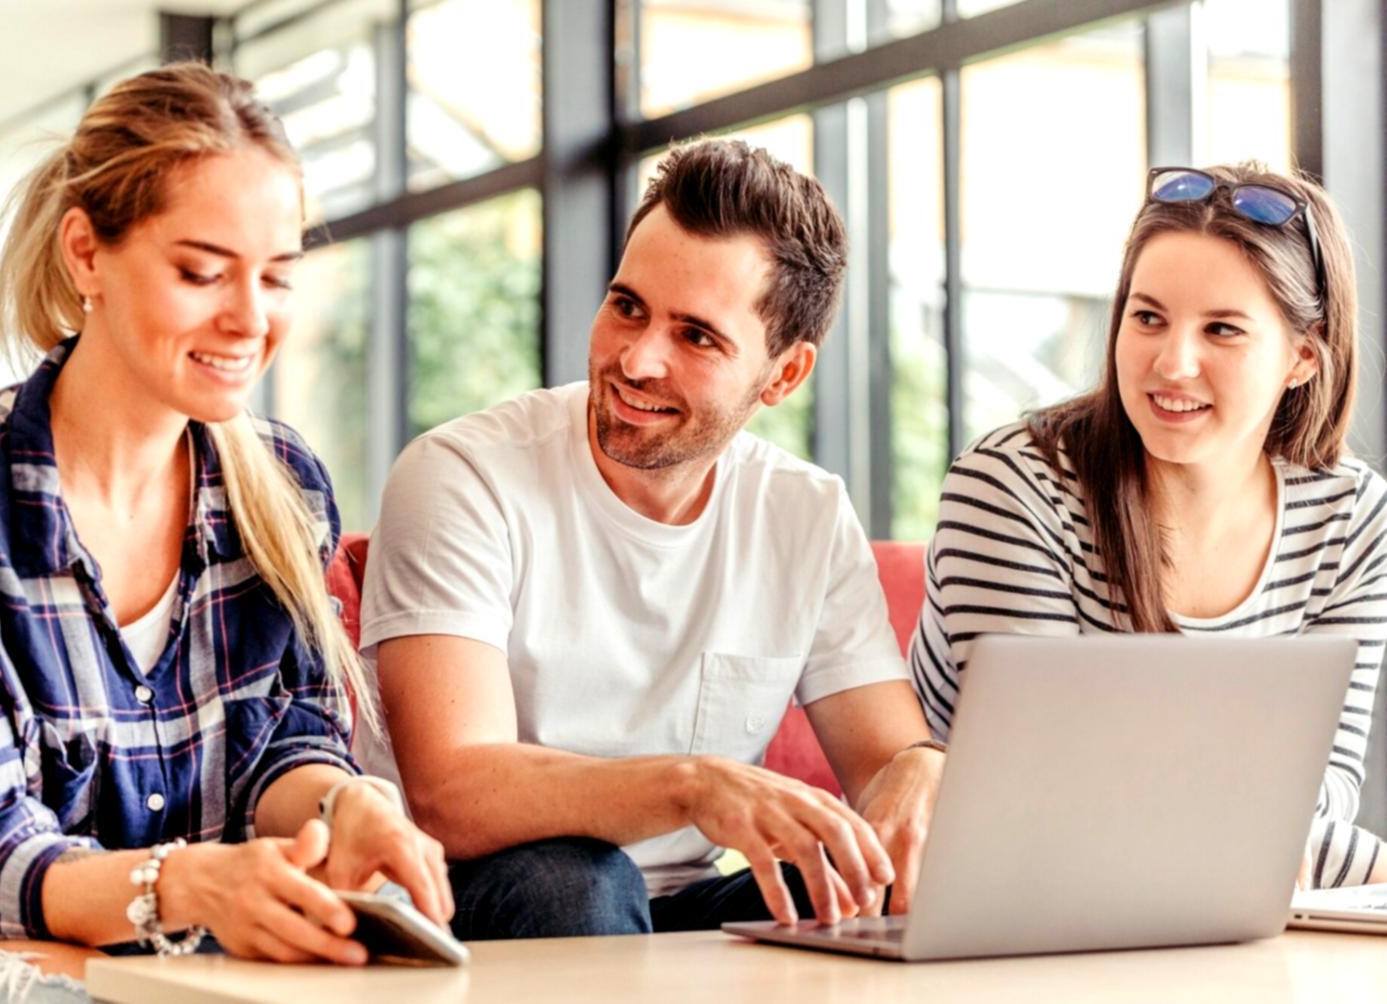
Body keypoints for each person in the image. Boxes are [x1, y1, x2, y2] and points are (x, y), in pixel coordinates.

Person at [0, 63, 451, 1003]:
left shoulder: (284, 485)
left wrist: (344, 806)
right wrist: (183, 886)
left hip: (190, 975)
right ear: (85, 254)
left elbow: (285, 742)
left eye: (277, 276)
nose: (249, 318)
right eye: (201, 271)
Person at [359, 138, 944, 941]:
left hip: (674, 910)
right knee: (580, 882)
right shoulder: (463, 474)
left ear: (783, 376)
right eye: (627, 306)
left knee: (885, 884)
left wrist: (918, 767)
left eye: (695, 337)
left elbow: (884, 763)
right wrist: (693, 788)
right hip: (465, 893)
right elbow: (450, 792)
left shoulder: (804, 514)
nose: (635, 359)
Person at [910, 163, 1387, 888]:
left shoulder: (1351, 517)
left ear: (1301, 357)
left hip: (1216, 907)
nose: (1171, 363)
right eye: (1147, 317)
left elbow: (1321, 790)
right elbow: (1037, 786)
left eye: (1221, 329)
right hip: (1001, 902)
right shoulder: (1013, 485)